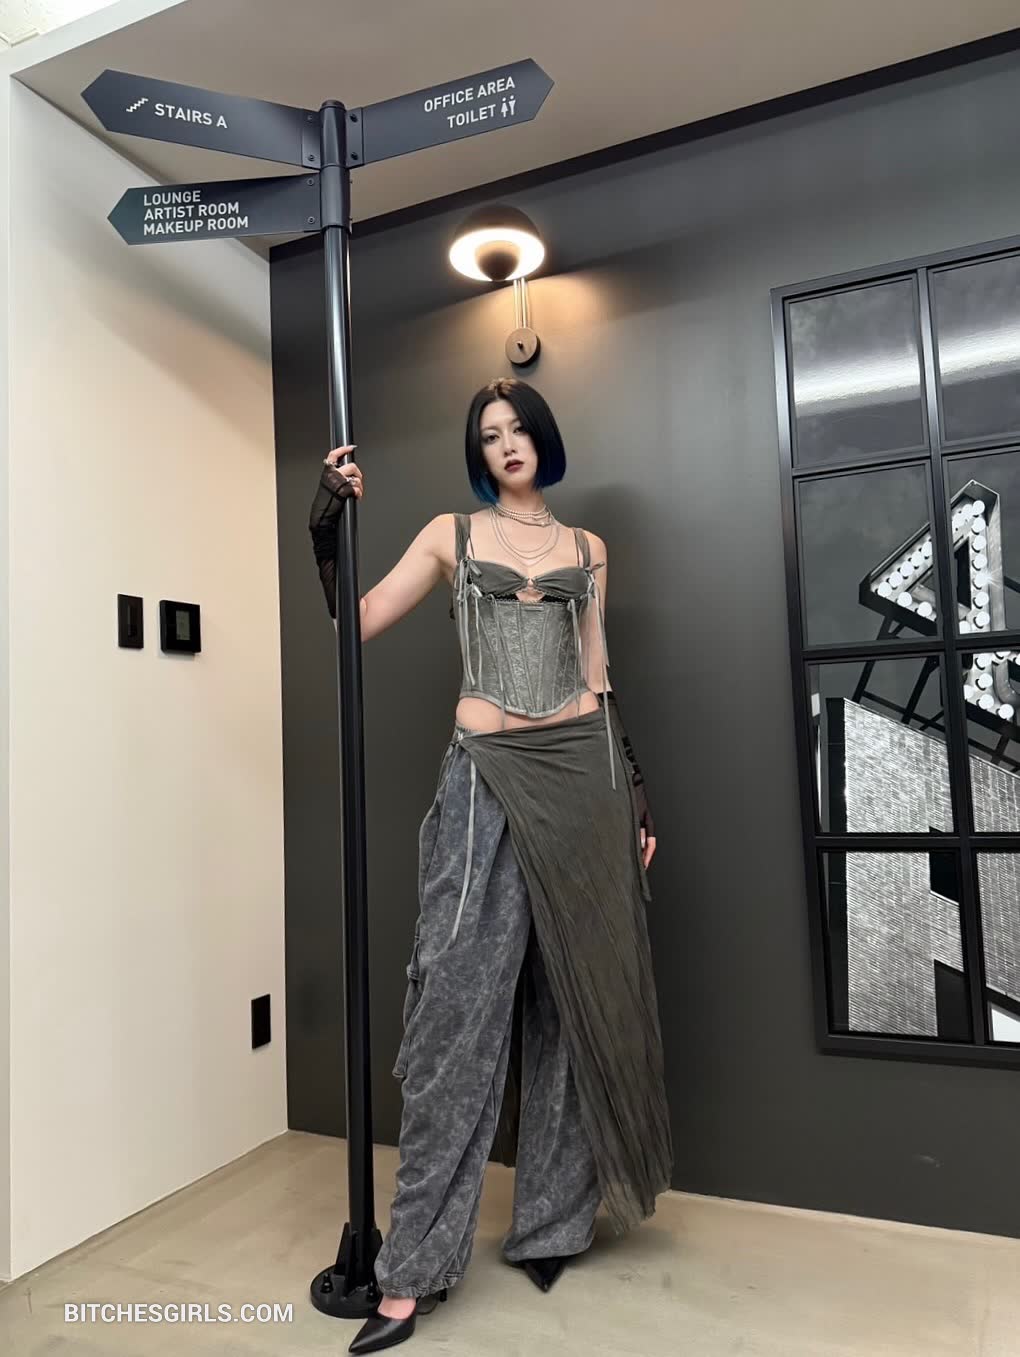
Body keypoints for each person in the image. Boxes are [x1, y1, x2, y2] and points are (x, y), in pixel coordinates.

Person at [308, 377, 673, 1354]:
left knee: (575, 1004)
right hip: (486, 775)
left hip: (584, 781)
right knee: (457, 1015)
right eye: (489, 434)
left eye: (519, 428)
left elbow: (596, 673)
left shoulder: (588, 549)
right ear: (478, 452)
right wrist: (325, 524)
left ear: (542, 438)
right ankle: (410, 1272)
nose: (506, 443)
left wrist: (634, 791)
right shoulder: (450, 535)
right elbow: (355, 622)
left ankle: (551, 1224)